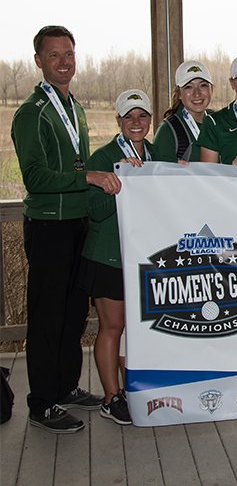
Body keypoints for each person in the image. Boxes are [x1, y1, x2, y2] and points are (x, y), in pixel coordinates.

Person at [12, 25, 113, 433]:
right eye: (54, 55)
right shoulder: (30, 113)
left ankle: (67, 387)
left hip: (77, 225)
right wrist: (86, 177)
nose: (64, 61)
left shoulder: (76, 108)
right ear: (38, 60)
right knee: (48, 317)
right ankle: (41, 403)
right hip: (49, 227)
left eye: (69, 53)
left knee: (73, 315)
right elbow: (35, 178)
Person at [82, 90, 164, 425]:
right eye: (128, 116)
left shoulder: (158, 154)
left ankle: (133, 390)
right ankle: (111, 397)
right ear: (118, 120)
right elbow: (94, 212)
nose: (136, 122)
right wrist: (119, 184)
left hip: (145, 256)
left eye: (142, 116)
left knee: (138, 328)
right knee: (113, 326)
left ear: (150, 120)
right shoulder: (104, 157)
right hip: (109, 257)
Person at [153, 60, 213, 163]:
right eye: (188, 87)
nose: (197, 93)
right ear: (179, 94)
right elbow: (159, 175)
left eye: (203, 85)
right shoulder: (167, 131)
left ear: (211, 89)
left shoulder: (218, 121)